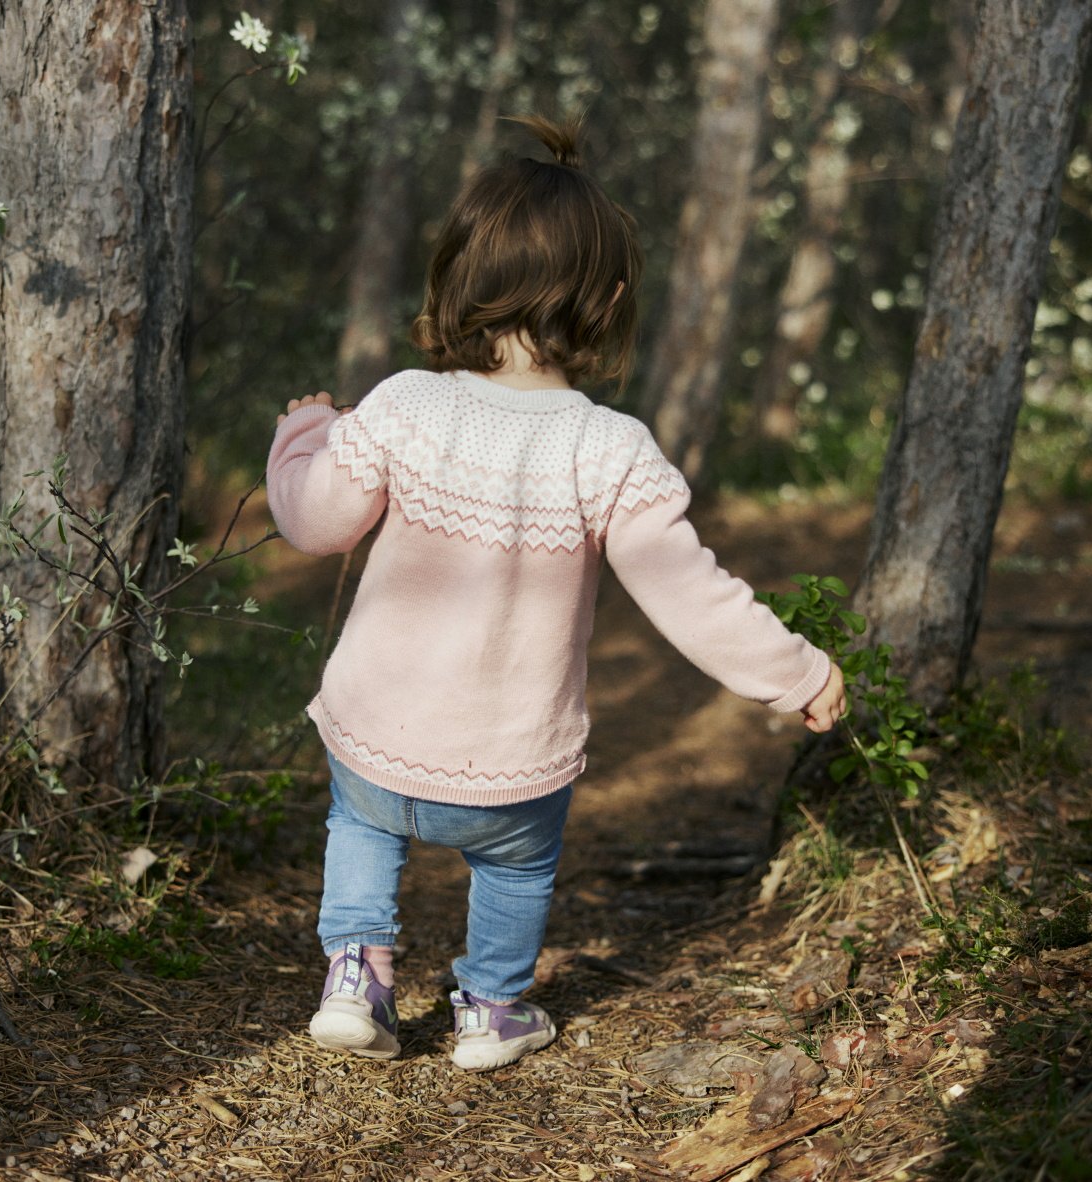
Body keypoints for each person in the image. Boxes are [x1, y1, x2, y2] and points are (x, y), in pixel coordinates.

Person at [267, 115, 848, 1072]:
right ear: (609, 300)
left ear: (459, 273)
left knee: (359, 828)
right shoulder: (610, 447)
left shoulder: (406, 402)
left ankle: (356, 979)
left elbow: (315, 522)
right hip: (512, 762)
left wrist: (303, 437)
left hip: (376, 735)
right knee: (518, 865)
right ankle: (492, 1009)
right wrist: (797, 672)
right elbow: (690, 594)